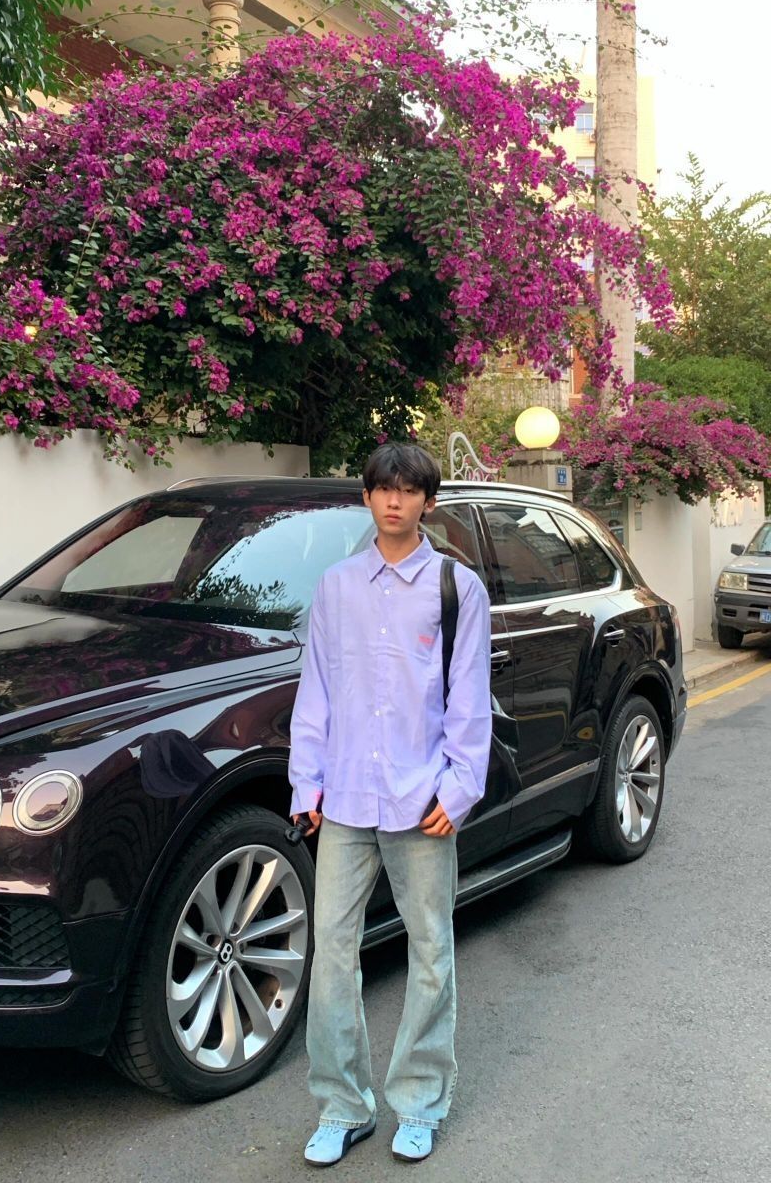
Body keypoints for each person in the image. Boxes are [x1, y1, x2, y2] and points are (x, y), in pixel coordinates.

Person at [289, 442, 492, 1167]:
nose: (395, 501)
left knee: (431, 951)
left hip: (420, 798)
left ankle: (420, 1102)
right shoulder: (336, 586)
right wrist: (306, 783)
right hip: (345, 798)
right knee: (331, 955)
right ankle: (343, 1106)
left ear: (428, 502)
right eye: (383, 489)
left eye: (409, 490)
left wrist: (458, 790)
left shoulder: (456, 588)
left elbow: (469, 699)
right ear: (367, 498)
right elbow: (317, 689)